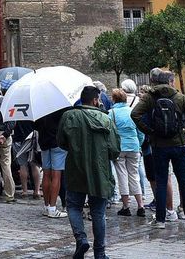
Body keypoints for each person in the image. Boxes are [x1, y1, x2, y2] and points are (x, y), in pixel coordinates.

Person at [132, 68, 185, 228]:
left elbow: (135, 114)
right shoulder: (179, 97)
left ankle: (161, 220)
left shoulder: (150, 97)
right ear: (170, 82)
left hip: (158, 145)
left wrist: (149, 131)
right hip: (178, 144)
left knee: (161, 181)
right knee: (184, 182)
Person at [60, 85, 121, 259]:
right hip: (100, 171)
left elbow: (61, 142)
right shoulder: (106, 119)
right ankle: (100, 253)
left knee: (73, 206)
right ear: (95, 100)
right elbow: (115, 149)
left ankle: (81, 239)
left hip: (75, 168)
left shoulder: (68, 116)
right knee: (98, 213)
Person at [109, 87, 145, 218]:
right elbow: (141, 132)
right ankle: (140, 206)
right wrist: (138, 144)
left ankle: (126, 206)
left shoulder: (111, 113)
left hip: (119, 148)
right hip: (134, 146)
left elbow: (109, 132)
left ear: (114, 99)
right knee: (134, 175)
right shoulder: (133, 112)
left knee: (122, 176)